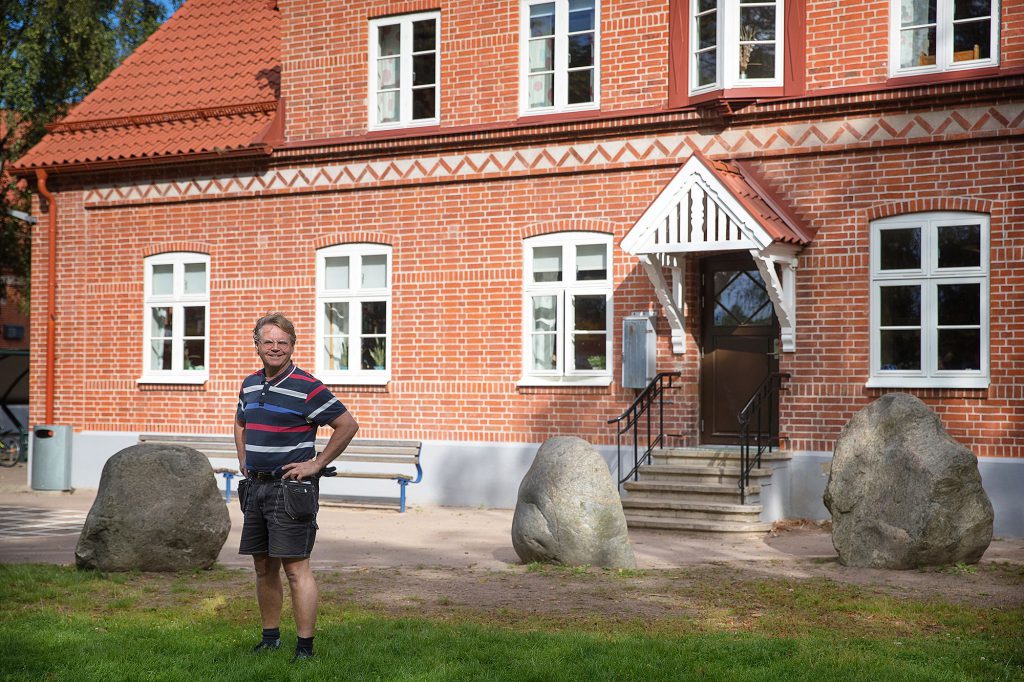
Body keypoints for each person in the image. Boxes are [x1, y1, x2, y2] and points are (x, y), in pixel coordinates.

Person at [234, 312, 359, 662]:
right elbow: (240, 421)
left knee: (294, 569)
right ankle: (270, 639)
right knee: (263, 567)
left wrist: (317, 463)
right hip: (256, 488)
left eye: (282, 343)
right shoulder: (249, 383)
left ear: (292, 346)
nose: (275, 348)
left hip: (290, 492)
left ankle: (305, 649)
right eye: (268, 341)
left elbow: (347, 425)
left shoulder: (307, 386)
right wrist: (244, 457)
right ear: (257, 344)